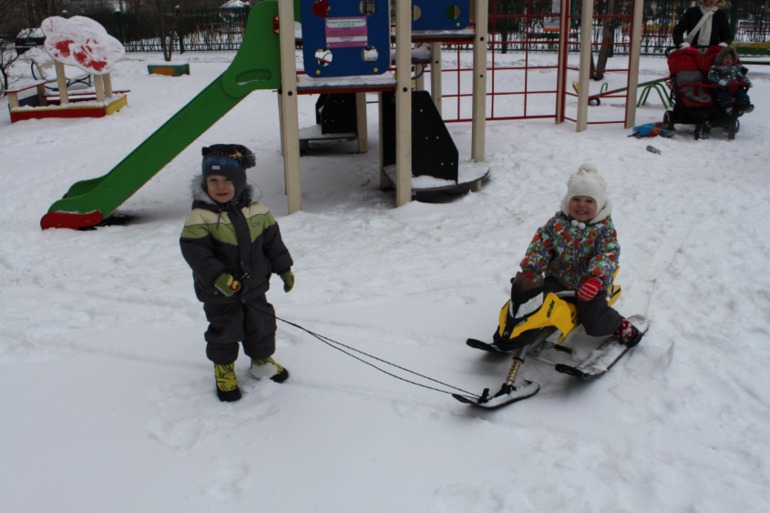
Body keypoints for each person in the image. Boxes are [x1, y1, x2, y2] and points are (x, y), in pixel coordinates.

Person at [180, 144, 295, 402]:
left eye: (227, 180)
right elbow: (196, 252)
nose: (220, 186)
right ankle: (224, 369)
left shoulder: (258, 211)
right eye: (213, 180)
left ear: (240, 181)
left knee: (261, 325)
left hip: (254, 287)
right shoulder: (200, 217)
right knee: (225, 330)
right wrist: (218, 278)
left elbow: (273, 243)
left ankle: (261, 361)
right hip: (219, 293)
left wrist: (284, 268)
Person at [514, 163, 643, 347]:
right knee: (533, 300)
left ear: (599, 205)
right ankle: (518, 331)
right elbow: (541, 245)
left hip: (589, 285)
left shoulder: (603, 229)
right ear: (568, 201)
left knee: (594, 319)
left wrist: (596, 279)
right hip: (558, 278)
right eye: (576, 199)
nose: (582, 205)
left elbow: (607, 255)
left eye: (589, 201)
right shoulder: (557, 223)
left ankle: (621, 326)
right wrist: (531, 270)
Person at [707, 45, 754, 115]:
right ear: (721, 59)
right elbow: (711, 76)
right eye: (726, 58)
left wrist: (747, 82)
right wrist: (719, 81)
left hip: (736, 87)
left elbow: (741, 76)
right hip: (722, 87)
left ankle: (743, 105)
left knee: (742, 93)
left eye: (730, 59)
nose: (728, 60)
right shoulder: (717, 67)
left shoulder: (736, 68)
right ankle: (727, 106)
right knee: (722, 95)